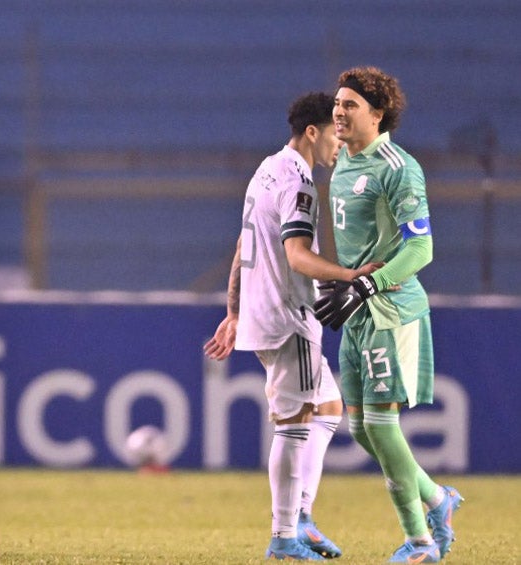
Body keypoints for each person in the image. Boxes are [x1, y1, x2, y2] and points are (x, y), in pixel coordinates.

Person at [204, 92, 376, 560]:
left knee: (327, 407)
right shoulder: (299, 184)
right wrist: (351, 275)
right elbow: (297, 256)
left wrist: (235, 310)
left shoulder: (266, 169)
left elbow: (244, 244)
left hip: (263, 311)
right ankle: (284, 535)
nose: (340, 143)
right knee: (293, 423)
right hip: (289, 316)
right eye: (334, 133)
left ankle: (300, 517)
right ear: (313, 132)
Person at [312, 66, 462, 563]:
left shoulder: (398, 167)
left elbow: (421, 250)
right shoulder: (342, 163)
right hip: (357, 307)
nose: (339, 111)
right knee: (359, 428)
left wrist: (368, 284)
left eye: (350, 104)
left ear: (378, 115)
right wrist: (347, 281)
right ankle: (439, 500)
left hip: (390, 310)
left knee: (380, 424)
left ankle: (421, 542)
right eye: (338, 102)